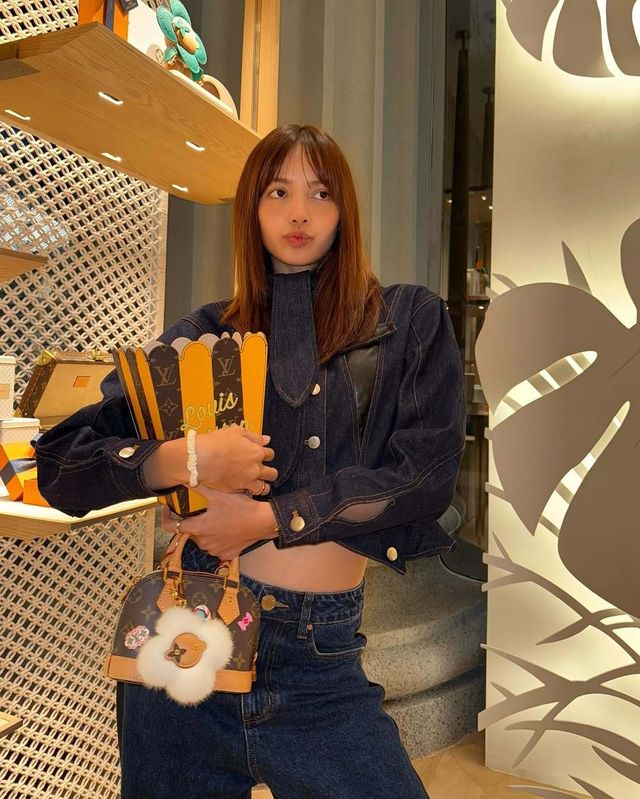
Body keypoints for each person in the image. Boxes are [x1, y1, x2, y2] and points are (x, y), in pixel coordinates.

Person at [36, 124, 466, 799]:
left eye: (320, 193)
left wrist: (266, 518)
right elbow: (62, 465)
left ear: (345, 210)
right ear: (252, 209)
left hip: (319, 659)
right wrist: (188, 458)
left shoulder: (406, 319)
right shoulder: (206, 335)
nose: (299, 213)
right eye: (278, 192)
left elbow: (424, 476)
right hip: (186, 648)